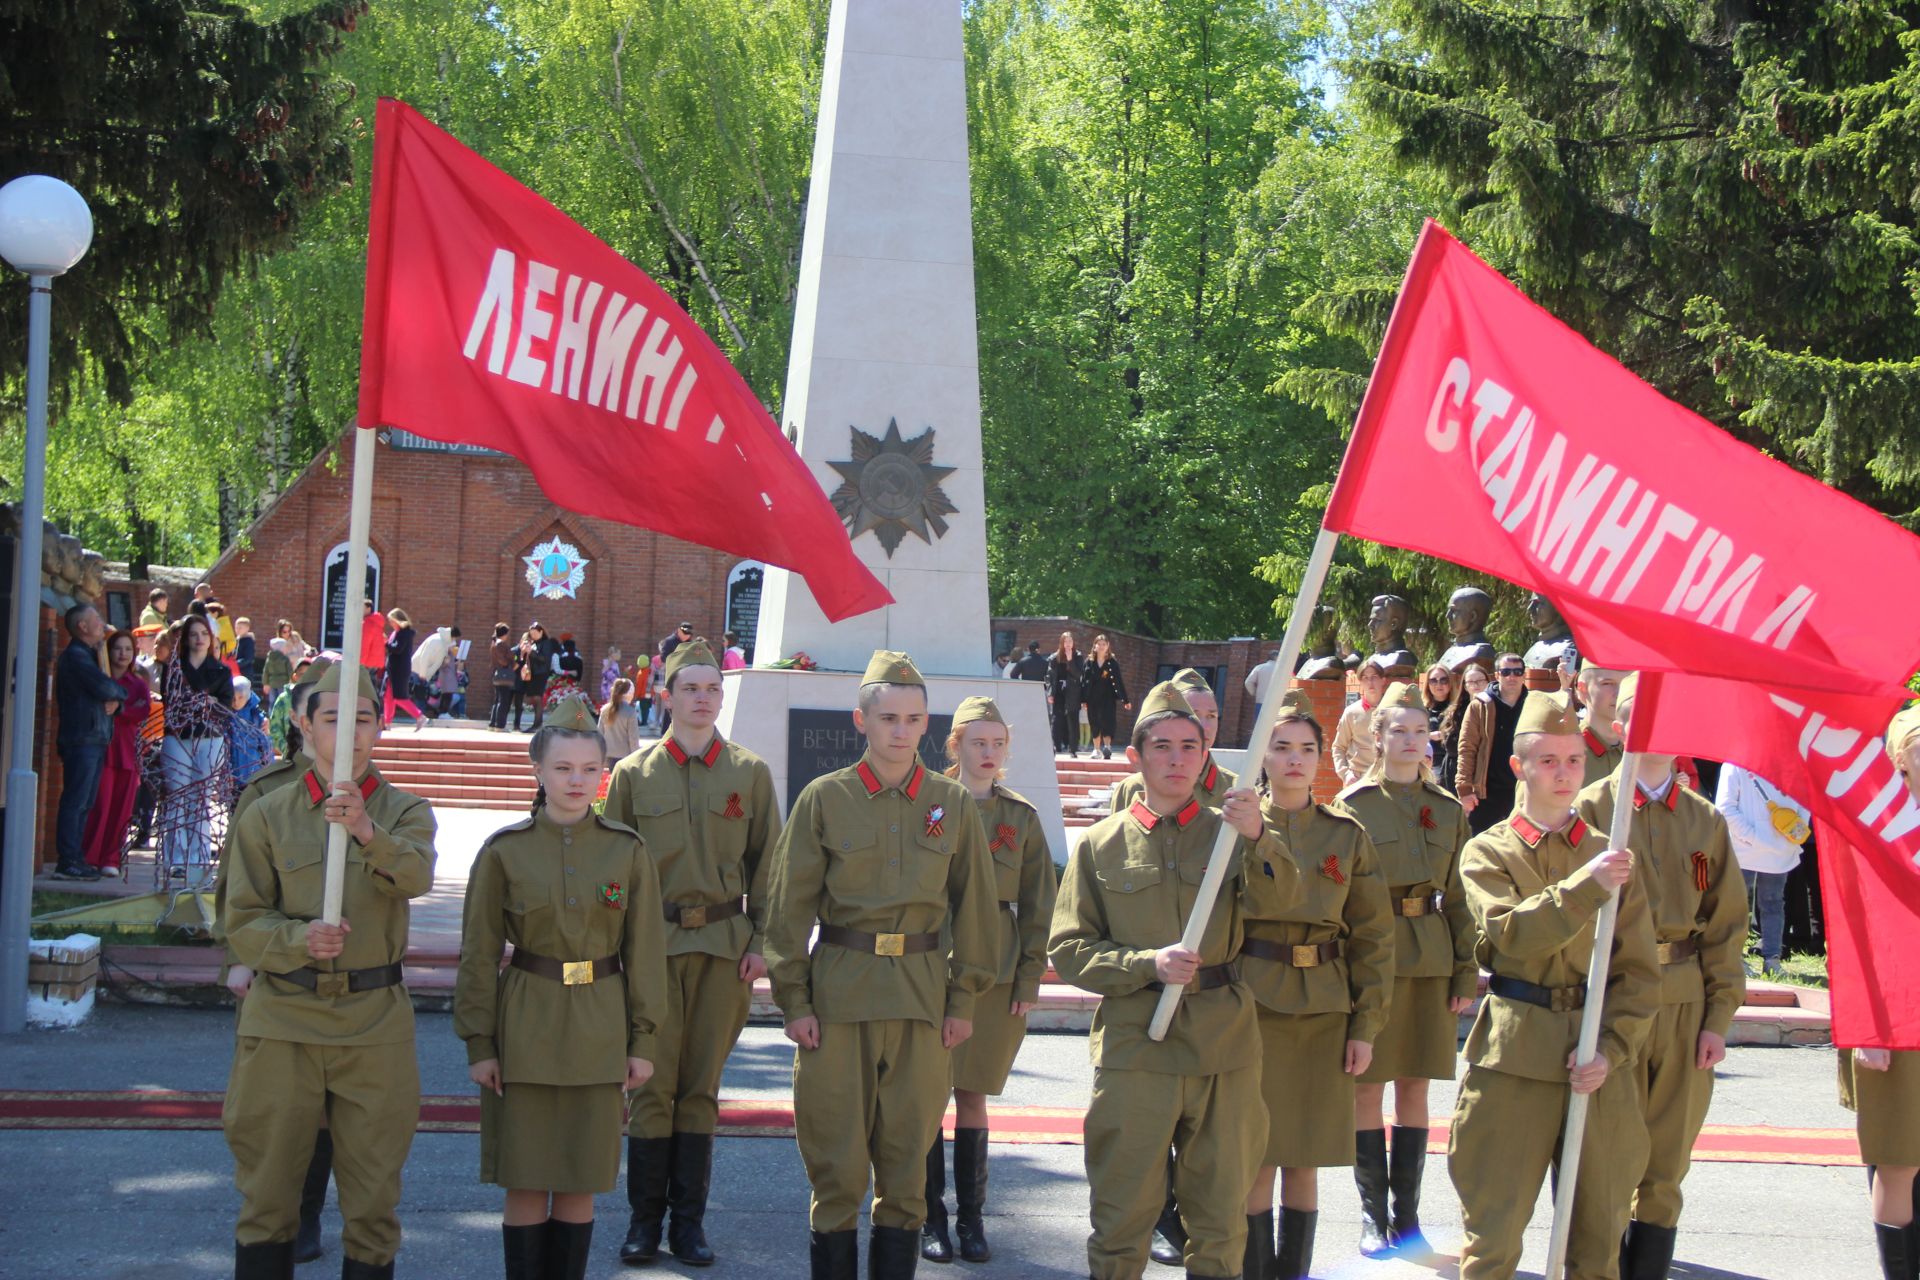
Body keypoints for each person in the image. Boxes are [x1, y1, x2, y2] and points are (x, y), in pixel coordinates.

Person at [762, 650, 997, 1279]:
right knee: (836, 1167)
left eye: (913, 718)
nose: (900, 729)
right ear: (860, 720)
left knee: (906, 1172)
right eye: (888, 716)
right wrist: (795, 1001)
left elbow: (974, 911)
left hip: (921, 1001)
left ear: (927, 725)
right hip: (839, 998)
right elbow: (787, 910)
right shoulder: (825, 799)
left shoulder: (951, 802)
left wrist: (964, 1000)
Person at [1047, 679, 1281, 1279]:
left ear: (1206, 757)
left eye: (1190, 746)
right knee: (1122, 1218)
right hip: (1137, 1045)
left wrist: (1258, 837)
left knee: (1221, 1221)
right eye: (1162, 746)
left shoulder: (1232, 832)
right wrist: (1144, 964)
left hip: (1222, 1046)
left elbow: (1290, 903)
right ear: (1137, 757)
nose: (1177, 758)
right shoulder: (1099, 845)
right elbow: (1070, 950)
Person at [221, 663, 437, 1279]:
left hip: (373, 1024)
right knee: (267, 1199)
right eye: (334, 719)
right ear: (305, 725)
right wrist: (296, 938)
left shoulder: (404, 811)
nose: (349, 733)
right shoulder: (267, 812)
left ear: (381, 726)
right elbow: (241, 920)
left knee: (372, 1206)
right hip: (285, 1018)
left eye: (363, 719)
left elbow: (416, 875)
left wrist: (366, 830)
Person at [454, 694, 667, 1280]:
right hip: (525, 1024)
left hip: (600, 1026)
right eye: (563, 769)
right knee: (525, 1179)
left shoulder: (627, 850)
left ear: (605, 773)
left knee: (580, 1180)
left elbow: (646, 952)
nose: (577, 781)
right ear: (538, 771)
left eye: (590, 769)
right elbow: (478, 955)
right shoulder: (504, 851)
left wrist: (643, 1041)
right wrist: (480, 1042)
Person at [1449, 691, 1659, 1280]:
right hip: (1515, 1058)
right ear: (1519, 767)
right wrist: (1588, 886)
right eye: (1548, 760)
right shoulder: (1487, 851)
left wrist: (1612, 1051)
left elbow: (1640, 974)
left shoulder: (1610, 855)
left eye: (1572, 760)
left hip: (1596, 1063)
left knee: (1597, 1246)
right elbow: (1513, 935)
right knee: (1492, 1242)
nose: (1563, 773)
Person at [605, 637, 782, 1267]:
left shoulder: (750, 773)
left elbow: (769, 870)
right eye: (689, 689)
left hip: (723, 947)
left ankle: (688, 1224)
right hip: (652, 947)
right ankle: (643, 1222)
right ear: (667, 696)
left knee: (700, 1087)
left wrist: (761, 944)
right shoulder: (632, 775)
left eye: (712, 689)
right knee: (651, 1085)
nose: (702, 699)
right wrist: (615, 951)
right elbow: (613, 873)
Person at [1577, 673, 1747, 1278]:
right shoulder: (1589, 808)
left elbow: (1726, 929)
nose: (1656, 727)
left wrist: (1719, 1019)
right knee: (1603, 1157)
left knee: (1666, 1162)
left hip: (1682, 1001)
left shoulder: (1705, 821)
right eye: (1639, 714)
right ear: (1618, 727)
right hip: (1611, 995)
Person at [1240, 691, 1394, 1280]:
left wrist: (1367, 1025)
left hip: (1326, 1009)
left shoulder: (1345, 833)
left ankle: (1292, 1273)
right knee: (1257, 1157)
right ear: (1264, 757)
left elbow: (1375, 938)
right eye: (1282, 748)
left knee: (1303, 1159)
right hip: (1253, 1003)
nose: (1295, 760)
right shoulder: (1236, 826)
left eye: (1307, 748)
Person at [1339, 681, 1475, 1259]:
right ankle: (1373, 1217)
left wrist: (1466, 972)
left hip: (1431, 958)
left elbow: (1463, 896)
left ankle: (1408, 1217)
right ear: (1377, 736)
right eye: (1399, 730)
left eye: (1421, 732)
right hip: (1373, 959)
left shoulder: (1447, 811)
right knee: (1367, 1088)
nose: (1410, 741)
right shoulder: (1353, 807)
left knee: (1415, 1087)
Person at [922, 697, 1057, 1265]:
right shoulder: (928, 803)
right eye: (977, 742)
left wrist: (1030, 978)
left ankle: (971, 1220)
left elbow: (1038, 904)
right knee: (926, 1097)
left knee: (973, 1095)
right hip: (931, 962)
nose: (989, 753)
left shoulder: (1019, 816)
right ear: (954, 746)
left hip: (996, 970)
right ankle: (929, 1219)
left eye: (998, 743)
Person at [1841, 704, 1920, 1280]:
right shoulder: (1874, 829)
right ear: (1899, 758)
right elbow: (1854, 935)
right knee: (1897, 1164)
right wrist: (1868, 1028)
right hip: (1890, 1021)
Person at [160, 614, 236, 881]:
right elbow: (172, 701)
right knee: (178, 795)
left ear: (210, 637)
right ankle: (176, 858)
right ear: (186, 638)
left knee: (202, 797)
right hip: (178, 737)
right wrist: (202, 700)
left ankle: (199, 856)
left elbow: (225, 706)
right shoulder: (174, 668)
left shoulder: (221, 671)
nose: (199, 639)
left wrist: (207, 703)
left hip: (209, 738)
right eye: (194, 634)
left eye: (204, 633)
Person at [52, 604, 125, 881]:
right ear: (82, 626)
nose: (102, 625)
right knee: (76, 800)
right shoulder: (77, 656)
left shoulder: (90, 655)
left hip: (93, 737)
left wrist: (116, 703)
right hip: (81, 738)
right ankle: (67, 860)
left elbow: (109, 694)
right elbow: (104, 687)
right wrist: (120, 694)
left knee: (85, 802)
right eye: (97, 620)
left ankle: (76, 858)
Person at [1714, 762, 1808, 977]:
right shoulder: (1734, 764)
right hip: (1745, 849)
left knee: (1773, 902)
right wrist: (1754, 837)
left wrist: (1793, 837)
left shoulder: (1792, 763)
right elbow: (1725, 808)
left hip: (1779, 848)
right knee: (1736, 905)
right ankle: (1734, 958)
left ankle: (1772, 959)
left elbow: (1805, 801)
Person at [1109, 667, 1235, 817]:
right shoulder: (1133, 788)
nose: (1204, 726)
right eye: (1193, 714)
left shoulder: (1235, 789)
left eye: (1211, 716)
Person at [80, 628, 150, 878]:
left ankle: (111, 858)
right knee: (100, 805)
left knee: (122, 810)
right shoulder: (100, 680)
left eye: (128, 649)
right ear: (109, 652)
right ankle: (90, 856)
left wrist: (120, 709)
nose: (123, 654)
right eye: (118, 648)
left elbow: (142, 711)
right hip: (103, 750)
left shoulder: (138, 684)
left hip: (128, 752)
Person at [1455, 653, 1531, 835]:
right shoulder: (1480, 705)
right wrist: (1464, 789)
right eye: (1506, 672)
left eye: (1517, 671)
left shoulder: (1533, 705)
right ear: (1497, 675)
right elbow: (1467, 748)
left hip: (1524, 792)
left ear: (1524, 675)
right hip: (1486, 794)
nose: (1511, 676)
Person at [1332, 657, 1389, 786]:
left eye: (1374, 677)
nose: (1370, 682)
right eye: (1365, 678)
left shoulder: (1392, 711)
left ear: (1383, 680)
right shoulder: (1351, 712)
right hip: (1357, 779)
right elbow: (1338, 747)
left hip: (1385, 779)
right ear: (1360, 682)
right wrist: (1345, 774)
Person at [1081, 633, 1132, 761]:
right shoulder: (1089, 662)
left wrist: (1125, 699)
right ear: (1095, 646)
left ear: (1108, 646)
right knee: (1094, 723)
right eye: (1099, 644)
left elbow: (1119, 681)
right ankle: (1096, 749)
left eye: (1104, 644)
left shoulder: (1112, 662)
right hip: (1092, 698)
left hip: (1107, 698)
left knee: (1108, 722)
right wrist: (1083, 700)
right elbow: (1083, 682)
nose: (1102, 646)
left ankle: (1107, 747)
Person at [1576, 663, 1627, 787]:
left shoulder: (1643, 755)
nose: (1619, 693)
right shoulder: (1564, 751)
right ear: (1583, 688)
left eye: (1627, 684)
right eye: (1608, 683)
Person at [382, 609, 428, 730]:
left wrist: (385, 643)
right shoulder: (396, 632)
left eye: (392, 621)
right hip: (393, 669)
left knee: (399, 697)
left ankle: (419, 716)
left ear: (398, 620)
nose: (390, 623)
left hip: (399, 670)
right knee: (388, 697)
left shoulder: (405, 633)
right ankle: (387, 723)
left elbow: (397, 649)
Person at [1045, 631, 1087, 757]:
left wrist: (1070, 660)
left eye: (1070, 641)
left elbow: (1079, 674)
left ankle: (1073, 748)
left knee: (1072, 719)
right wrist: (1050, 693)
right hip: (1058, 690)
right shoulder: (1054, 657)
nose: (1068, 644)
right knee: (1056, 719)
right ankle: (1055, 746)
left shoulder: (1078, 656)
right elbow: (1049, 676)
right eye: (1066, 642)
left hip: (1073, 691)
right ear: (1062, 643)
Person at [228, 677, 273, 793]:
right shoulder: (226, 716)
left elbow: (266, 745)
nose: (236, 702)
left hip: (254, 774)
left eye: (240, 697)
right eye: (233, 698)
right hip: (233, 776)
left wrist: (268, 769)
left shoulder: (257, 717)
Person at [1421, 664, 1458, 790]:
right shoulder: (1421, 709)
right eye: (1433, 680)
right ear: (1427, 684)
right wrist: (1430, 735)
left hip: (1453, 766)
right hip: (1429, 765)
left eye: (1443, 680)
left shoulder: (1459, 707)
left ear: (1450, 682)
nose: (1438, 684)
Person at [524, 622, 560, 731]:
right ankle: (536, 723)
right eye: (531, 633)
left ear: (541, 632)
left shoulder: (546, 643)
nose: (533, 635)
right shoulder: (533, 643)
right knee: (533, 699)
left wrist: (532, 652)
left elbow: (544, 659)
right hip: (533, 673)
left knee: (537, 698)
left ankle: (538, 724)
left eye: (535, 633)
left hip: (541, 673)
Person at [597, 678, 641, 763]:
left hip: (607, 755)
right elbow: (633, 739)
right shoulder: (630, 712)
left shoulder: (604, 709)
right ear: (629, 694)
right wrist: (637, 758)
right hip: (624, 757)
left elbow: (599, 735)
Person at [490, 624, 519, 732]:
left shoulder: (494, 643)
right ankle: (500, 725)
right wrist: (512, 663)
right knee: (504, 701)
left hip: (497, 674)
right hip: (504, 674)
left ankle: (493, 724)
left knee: (497, 700)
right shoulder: (501, 644)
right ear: (505, 633)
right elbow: (505, 659)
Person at [434, 628, 467, 719]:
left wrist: (457, 662)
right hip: (446, 675)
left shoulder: (449, 651)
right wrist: (446, 662)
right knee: (447, 695)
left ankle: (443, 712)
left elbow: (451, 663)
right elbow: (443, 663)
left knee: (447, 694)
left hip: (449, 675)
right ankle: (443, 712)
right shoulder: (446, 650)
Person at [1244, 649, 1280, 729]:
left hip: (1261, 702)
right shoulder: (1283, 669)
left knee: (1260, 727)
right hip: (1278, 703)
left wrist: (1254, 693)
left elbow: (1248, 682)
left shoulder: (1259, 668)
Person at [360, 600, 388, 697]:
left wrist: (360, 663)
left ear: (368, 608)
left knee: (364, 688)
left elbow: (364, 645)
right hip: (375, 661)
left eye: (362, 607)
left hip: (367, 661)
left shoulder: (367, 623)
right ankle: (375, 707)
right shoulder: (377, 622)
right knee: (371, 685)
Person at [261, 637, 293, 706]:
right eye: (285, 647)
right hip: (283, 683)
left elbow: (265, 672)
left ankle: (272, 715)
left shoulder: (269, 659)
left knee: (272, 701)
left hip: (272, 683)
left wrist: (265, 683)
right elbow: (290, 671)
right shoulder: (285, 659)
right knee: (283, 700)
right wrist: (292, 680)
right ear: (281, 648)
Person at [234, 616, 257, 683]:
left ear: (247, 628)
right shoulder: (236, 640)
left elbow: (248, 658)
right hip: (236, 671)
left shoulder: (248, 641)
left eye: (240, 628)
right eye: (236, 627)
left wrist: (234, 664)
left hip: (245, 672)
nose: (237, 630)